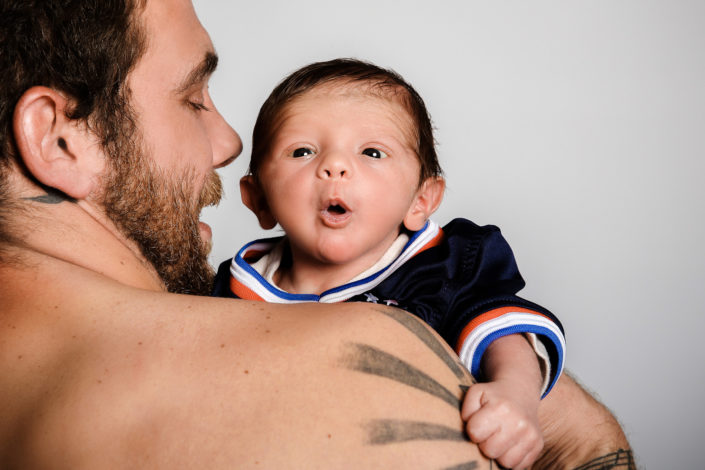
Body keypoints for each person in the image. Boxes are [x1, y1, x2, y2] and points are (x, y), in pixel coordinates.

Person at [0, 0, 633, 468]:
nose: (227, 143)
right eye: (194, 99)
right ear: (60, 137)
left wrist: (515, 383)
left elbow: (499, 318)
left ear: (423, 199)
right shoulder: (360, 372)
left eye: (373, 152)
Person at [212, 59, 563, 468]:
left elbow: (501, 329)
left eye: (372, 152)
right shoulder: (229, 294)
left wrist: (515, 394)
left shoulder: (438, 271)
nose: (335, 166)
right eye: (302, 151)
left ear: (421, 201)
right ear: (259, 199)